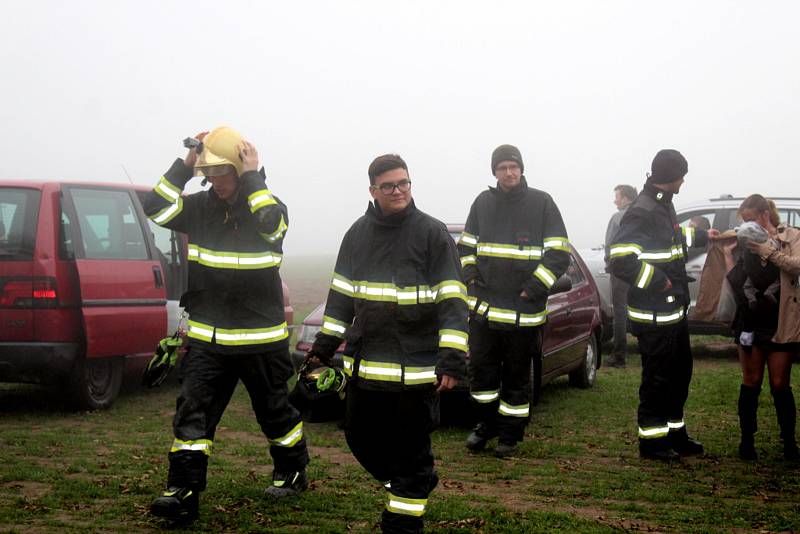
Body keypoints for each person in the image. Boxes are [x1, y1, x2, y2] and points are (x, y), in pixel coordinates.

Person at [143, 127, 308, 523]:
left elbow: (272, 226)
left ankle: (292, 471)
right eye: (210, 175)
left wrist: (254, 178)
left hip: (260, 340)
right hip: (207, 339)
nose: (216, 183)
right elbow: (156, 207)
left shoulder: (268, 205)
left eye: (223, 174)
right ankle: (181, 492)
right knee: (192, 414)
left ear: (240, 170)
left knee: (276, 414)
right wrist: (185, 165)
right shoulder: (199, 208)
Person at [307, 154, 468, 533]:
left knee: (411, 454)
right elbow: (341, 299)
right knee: (359, 437)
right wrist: (322, 348)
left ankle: (402, 521)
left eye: (404, 183)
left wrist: (452, 359)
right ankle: (415, 482)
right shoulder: (357, 235)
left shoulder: (432, 233)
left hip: (417, 371)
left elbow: (452, 299)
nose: (398, 191)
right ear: (372, 190)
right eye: (389, 186)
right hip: (367, 368)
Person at [458, 144, 569, 458]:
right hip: (484, 315)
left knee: (517, 380)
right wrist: (471, 280)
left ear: (522, 169)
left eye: (513, 167)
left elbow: (559, 253)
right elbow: (465, 248)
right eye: (502, 167)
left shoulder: (542, 203)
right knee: (481, 376)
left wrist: (532, 289)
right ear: (494, 172)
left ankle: (510, 436)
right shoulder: (482, 203)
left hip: (523, 315)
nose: (508, 172)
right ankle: (485, 426)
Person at [609, 149, 719, 462]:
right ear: (671, 178)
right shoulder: (642, 210)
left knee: (679, 374)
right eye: (682, 175)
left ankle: (675, 433)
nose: (684, 180)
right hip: (653, 314)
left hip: (673, 312)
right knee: (657, 379)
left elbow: (668, 240)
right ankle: (652, 442)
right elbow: (620, 261)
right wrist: (658, 280)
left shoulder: (662, 206)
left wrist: (700, 235)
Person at [733, 195, 800, 461]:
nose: (747, 226)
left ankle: (789, 443)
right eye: (743, 222)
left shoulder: (790, 236)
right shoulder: (743, 239)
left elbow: (796, 266)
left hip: (780, 320)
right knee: (750, 382)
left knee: (780, 383)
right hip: (750, 320)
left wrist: (768, 251)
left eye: (750, 219)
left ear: (764, 215)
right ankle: (746, 441)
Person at [604, 184, 638, 368]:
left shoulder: (618, 217)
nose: (614, 200)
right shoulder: (643, 215)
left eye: (617, 196)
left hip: (620, 271)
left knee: (620, 313)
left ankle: (619, 356)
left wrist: (609, 265)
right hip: (642, 269)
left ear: (625, 198)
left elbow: (610, 245)